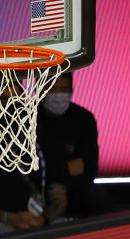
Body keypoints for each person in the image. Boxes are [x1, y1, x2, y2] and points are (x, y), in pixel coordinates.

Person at [0, 89, 69, 238]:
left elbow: (59, 198)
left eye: (16, 98)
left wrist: (42, 220)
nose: (11, 104)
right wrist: (9, 218)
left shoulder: (44, 143)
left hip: (41, 222)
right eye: (3, 99)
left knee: (70, 227)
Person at [36, 74, 107, 218]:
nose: (58, 95)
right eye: (53, 89)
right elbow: (27, 167)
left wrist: (60, 183)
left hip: (73, 186)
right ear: (40, 89)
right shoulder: (27, 117)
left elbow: (88, 165)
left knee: (97, 197)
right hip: (37, 187)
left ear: (71, 89)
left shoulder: (84, 118)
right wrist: (62, 172)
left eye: (63, 89)